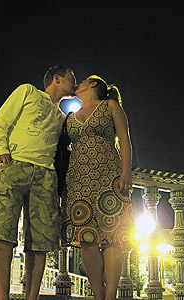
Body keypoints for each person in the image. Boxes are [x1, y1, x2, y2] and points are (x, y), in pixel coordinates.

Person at [0, 66, 78, 300]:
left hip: (45, 175)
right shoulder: (27, 92)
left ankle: (30, 297)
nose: (75, 84)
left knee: (41, 240)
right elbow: (0, 121)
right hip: (15, 165)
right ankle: (2, 296)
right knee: (2, 230)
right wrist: (0, 151)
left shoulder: (62, 118)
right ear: (56, 79)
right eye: (71, 79)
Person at [60, 75, 134, 300]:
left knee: (112, 236)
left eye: (81, 81)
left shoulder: (109, 105)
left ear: (93, 84)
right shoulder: (69, 117)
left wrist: (126, 172)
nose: (77, 84)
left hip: (108, 175)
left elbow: (124, 137)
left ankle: (110, 296)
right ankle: (98, 296)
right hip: (78, 180)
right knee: (86, 238)